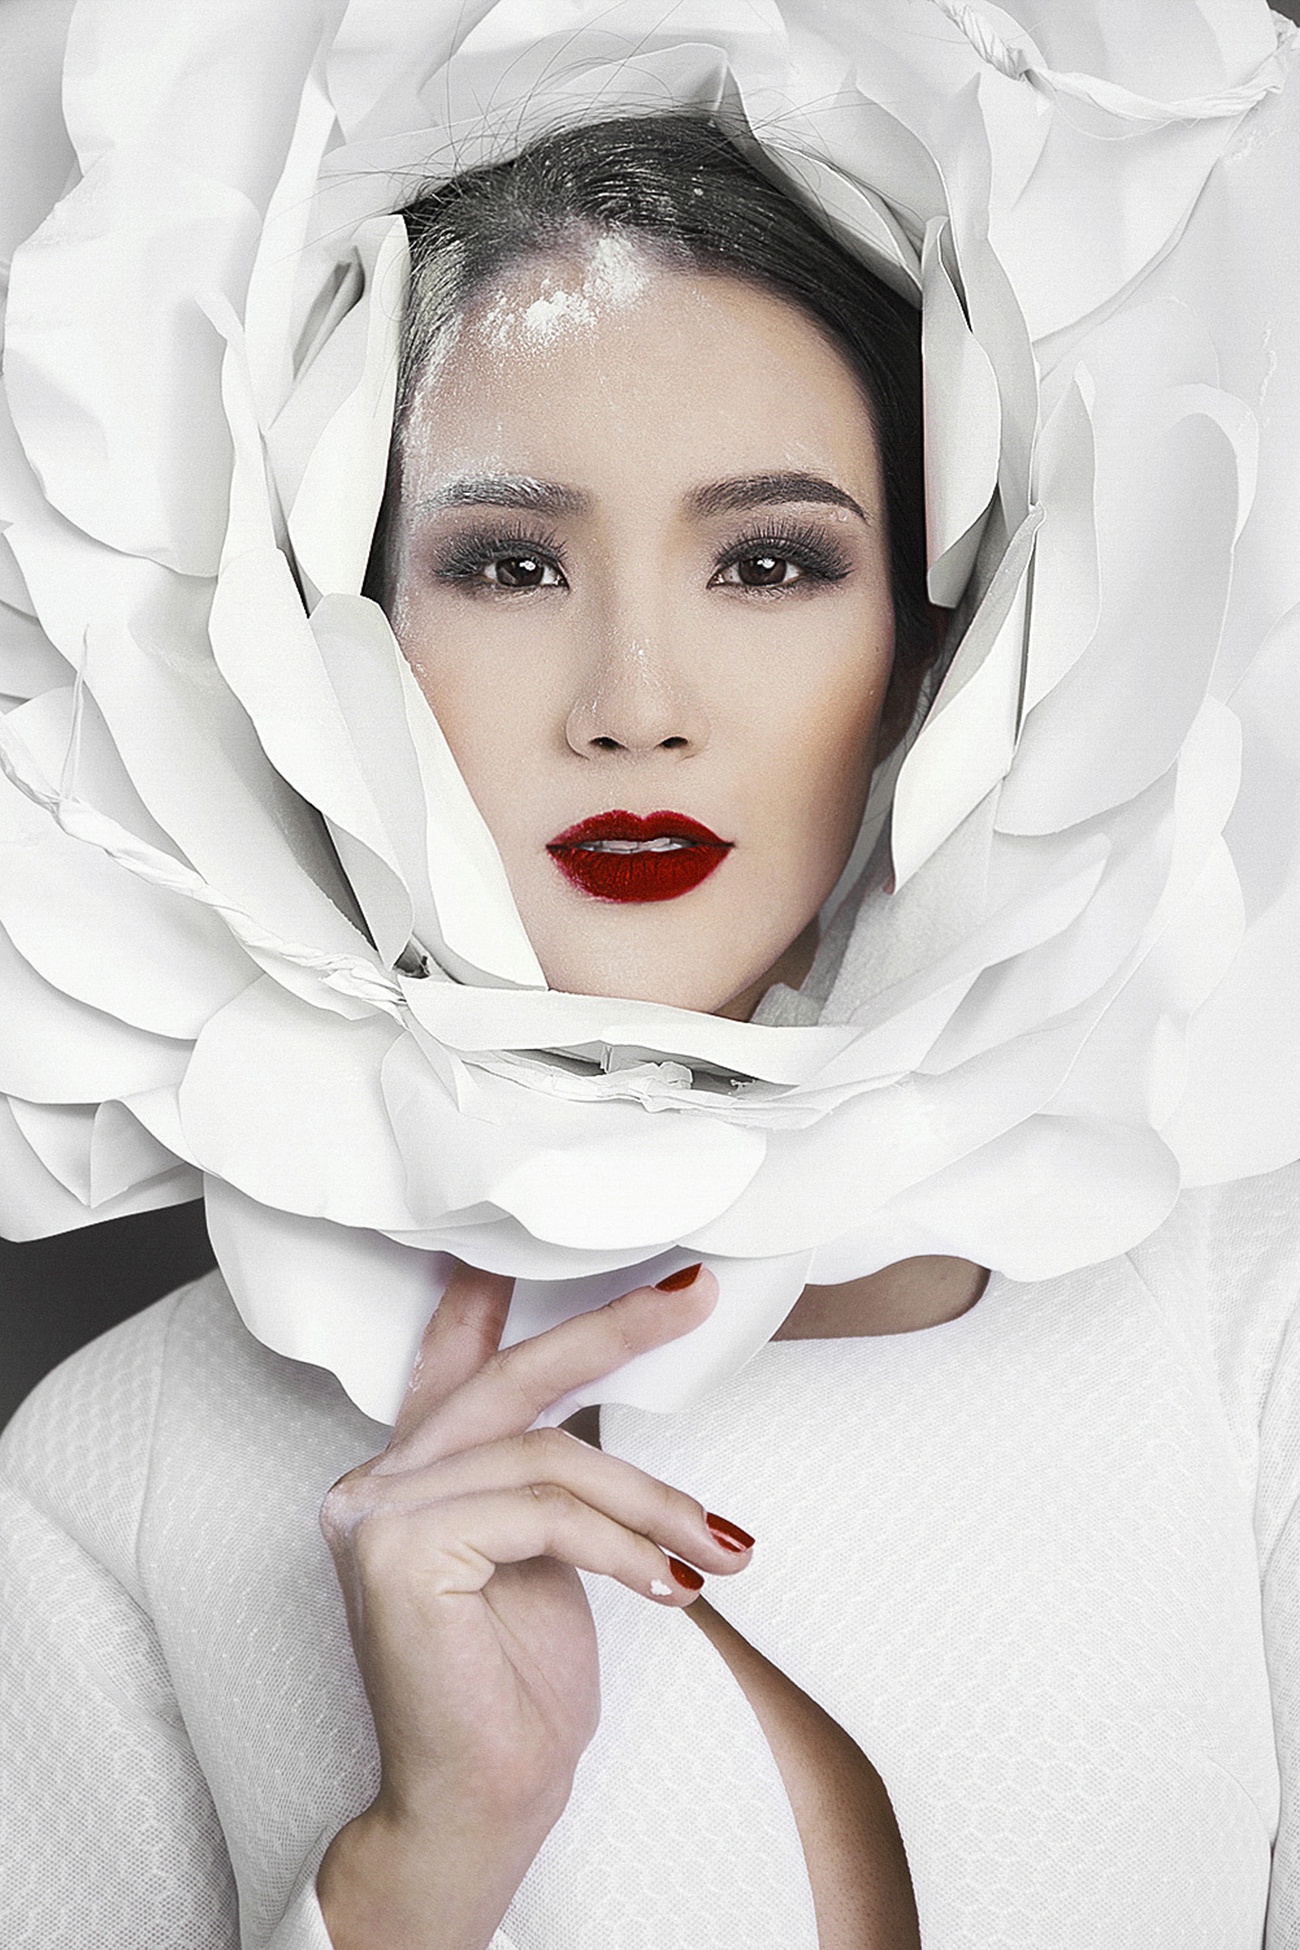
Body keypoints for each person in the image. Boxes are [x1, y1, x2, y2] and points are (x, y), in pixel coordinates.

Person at [2, 37, 1299, 1950]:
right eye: (508, 562)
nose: (635, 702)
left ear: (934, 655)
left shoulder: (1242, 1317)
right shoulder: (118, 1471)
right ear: (325, 636)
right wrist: (419, 1868)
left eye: (768, 560)